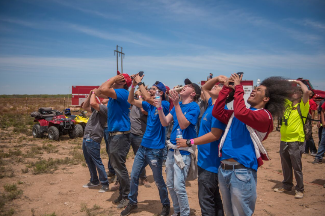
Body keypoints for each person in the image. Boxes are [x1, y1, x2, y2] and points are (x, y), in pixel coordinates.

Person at [213, 74, 292, 215]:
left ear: (266, 99)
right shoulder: (238, 114)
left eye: (259, 90)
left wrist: (238, 87)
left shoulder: (264, 115)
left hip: (241, 172)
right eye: (254, 88)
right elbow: (217, 111)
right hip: (224, 169)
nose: (254, 90)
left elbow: (240, 112)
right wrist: (225, 89)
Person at [176, 75, 229, 216]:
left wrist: (190, 141)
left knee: (206, 200)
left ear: (225, 93)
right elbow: (205, 87)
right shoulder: (212, 104)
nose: (216, 86)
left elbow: (214, 135)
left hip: (211, 163)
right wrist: (217, 78)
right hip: (205, 161)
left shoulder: (220, 108)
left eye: (220, 87)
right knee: (214, 198)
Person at [121, 75, 171, 216]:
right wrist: (133, 86)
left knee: (158, 180)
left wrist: (140, 83)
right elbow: (130, 100)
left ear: (160, 92)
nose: (149, 90)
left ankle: (165, 205)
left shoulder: (165, 105)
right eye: (149, 88)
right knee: (134, 175)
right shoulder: (149, 104)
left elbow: (149, 99)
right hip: (143, 148)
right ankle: (132, 202)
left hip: (155, 150)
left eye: (153, 89)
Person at [158, 78, 201, 216]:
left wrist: (176, 104)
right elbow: (165, 122)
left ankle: (184, 213)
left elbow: (183, 125)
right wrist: (159, 107)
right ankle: (177, 211)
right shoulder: (178, 105)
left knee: (179, 186)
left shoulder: (194, 107)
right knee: (170, 184)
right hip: (172, 150)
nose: (184, 87)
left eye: (188, 86)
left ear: (193, 93)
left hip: (183, 152)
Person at [98, 73, 132, 208]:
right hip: (115, 135)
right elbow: (99, 90)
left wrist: (112, 80)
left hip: (120, 135)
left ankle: (127, 196)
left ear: (122, 82)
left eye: (119, 78)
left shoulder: (123, 92)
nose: (114, 79)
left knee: (120, 167)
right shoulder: (115, 94)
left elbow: (103, 90)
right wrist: (112, 81)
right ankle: (123, 193)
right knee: (117, 166)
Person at [274, 80, 309, 199]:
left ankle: (300, 189)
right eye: (292, 91)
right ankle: (287, 185)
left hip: (295, 140)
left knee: (296, 166)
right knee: (285, 165)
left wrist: (298, 82)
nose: (293, 93)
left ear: (300, 95)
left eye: (296, 92)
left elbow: (307, 92)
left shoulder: (302, 106)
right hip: (284, 140)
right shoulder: (288, 106)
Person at [82, 89, 109, 193]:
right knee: (89, 161)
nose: (102, 98)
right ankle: (94, 180)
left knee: (97, 161)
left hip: (94, 137)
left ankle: (105, 183)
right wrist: (90, 94)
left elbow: (93, 103)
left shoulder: (106, 109)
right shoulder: (97, 109)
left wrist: (94, 93)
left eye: (106, 98)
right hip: (87, 137)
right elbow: (85, 106)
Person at [305, 91, 317, 155]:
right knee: (306, 135)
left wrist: (312, 122)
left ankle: (313, 150)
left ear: (311, 94)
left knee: (309, 135)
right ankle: (306, 149)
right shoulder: (305, 101)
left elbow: (313, 113)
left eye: (308, 93)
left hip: (308, 120)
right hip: (304, 120)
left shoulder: (312, 102)